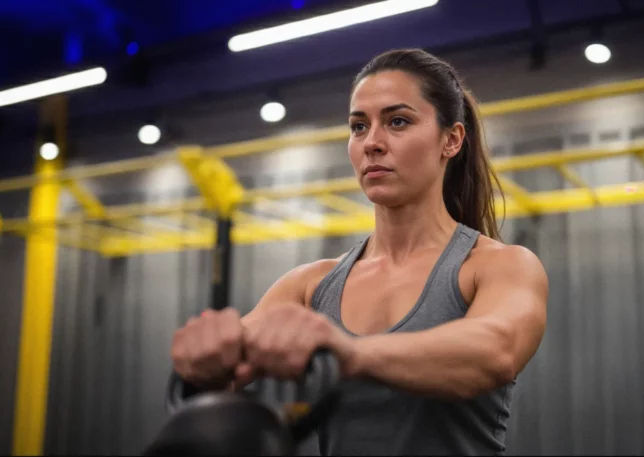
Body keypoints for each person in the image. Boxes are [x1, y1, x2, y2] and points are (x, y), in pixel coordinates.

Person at [170, 48, 549, 456]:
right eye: (358, 127)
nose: (372, 143)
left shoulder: (499, 265)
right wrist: (201, 362)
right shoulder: (308, 285)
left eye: (397, 122)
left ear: (451, 140)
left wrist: (348, 353)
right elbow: (224, 374)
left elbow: (494, 352)